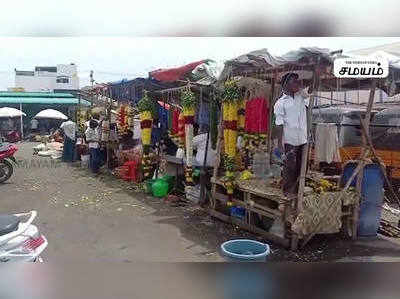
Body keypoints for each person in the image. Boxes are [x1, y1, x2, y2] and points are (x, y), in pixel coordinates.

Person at [274, 72, 314, 198]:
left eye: (298, 81)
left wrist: (316, 75)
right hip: (289, 140)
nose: (298, 84)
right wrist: (280, 144)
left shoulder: (300, 96)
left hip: (302, 138)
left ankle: (297, 189)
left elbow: (312, 89)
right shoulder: (280, 103)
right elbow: (279, 124)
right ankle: (287, 191)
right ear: (286, 84)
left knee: (303, 166)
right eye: (294, 81)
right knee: (290, 166)